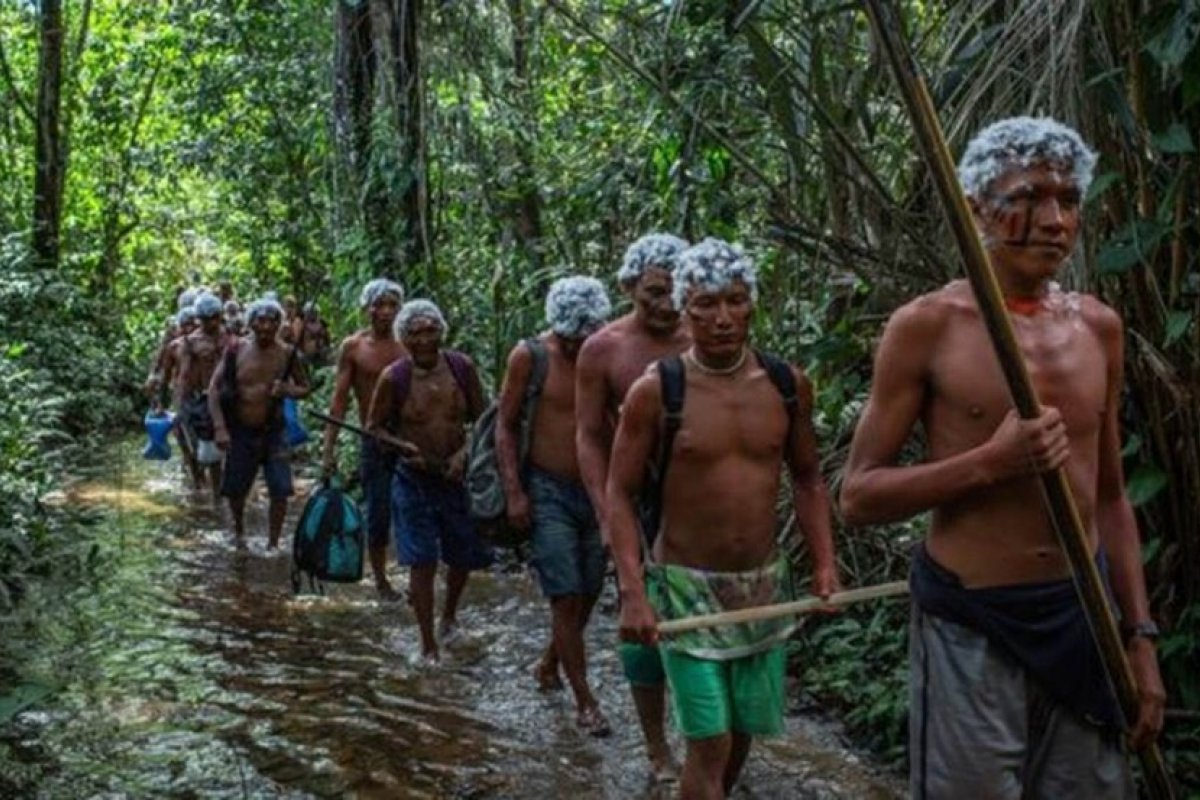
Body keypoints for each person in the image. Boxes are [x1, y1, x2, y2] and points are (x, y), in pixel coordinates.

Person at [839, 117, 1165, 799]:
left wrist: (1139, 638)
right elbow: (859, 496)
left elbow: (1109, 496)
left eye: (1069, 200)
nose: (1054, 219)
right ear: (978, 208)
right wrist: (988, 462)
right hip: (973, 622)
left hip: (1086, 617)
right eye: (1031, 197)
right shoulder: (927, 326)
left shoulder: (1098, 327)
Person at [609, 238, 840, 799]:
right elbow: (619, 492)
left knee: (740, 733)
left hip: (761, 589)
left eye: (734, 301)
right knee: (708, 740)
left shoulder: (788, 387)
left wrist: (826, 565)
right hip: (685, 587)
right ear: (684, 311)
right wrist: (633, 590)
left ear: (752, 305)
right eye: (705, 305)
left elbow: (808, 479)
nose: (721, 319)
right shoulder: (656, 392)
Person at [574, 232, 690, 779]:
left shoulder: (708, 331)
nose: (667, 307)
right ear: (628, 288)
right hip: (638, 499)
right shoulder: (604, 349)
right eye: (653, 295)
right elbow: (590, 435)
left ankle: (707, 738)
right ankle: (656, 748)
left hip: (699, 499)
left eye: (674, 293)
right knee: (638, 613)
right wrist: (604, 510)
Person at [496, 276, 612, 735]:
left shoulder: (605, 353)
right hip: (547, 490)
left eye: (585, 337)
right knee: (564, 594)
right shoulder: (531, 357)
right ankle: (586, 701)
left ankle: (549, 663)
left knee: (588, 593)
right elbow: (505, 426)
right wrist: (514, 492)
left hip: (596, 489)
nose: (578, 345)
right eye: (570, 339)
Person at [366, 300, 491, 661]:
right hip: (413, 480)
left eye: (430, 330)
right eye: (415, 333)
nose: (423, 339)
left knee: (463, 554)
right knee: (422, 560)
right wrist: (403, 446)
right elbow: (373, 429)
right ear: (404, 337)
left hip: (455, 477)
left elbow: (484, 422)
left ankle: (449, 616)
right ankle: (428, 644)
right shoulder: (394, 377)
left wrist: (463, 454)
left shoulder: (461, 367)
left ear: (441, 331)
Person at [321, 279, 408, 599]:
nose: (385, 312)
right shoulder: (354, 348)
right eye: (379, 305)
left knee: (412, 508)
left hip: (409, 438)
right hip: (372, 439)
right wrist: (328, 449)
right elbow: (340, 401)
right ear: (367, 308)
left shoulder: (409, 344)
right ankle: (382, 579)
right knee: (378, 509)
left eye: (391, 305)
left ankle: (416, 575)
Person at [209, 297, 310, 548]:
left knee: (280, 488)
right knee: (235, 488)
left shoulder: (288, 353)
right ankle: (239, 531)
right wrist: (220, 428)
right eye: (261, 321)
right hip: (241, 430)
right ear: (251, 323)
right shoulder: (235, 350)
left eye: (272, 321)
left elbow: (305, 387)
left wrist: (287, 389)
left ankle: (273, 543)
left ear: (279, 324)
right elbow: (213, 389)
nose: (266, 326)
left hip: (274, 431)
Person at [177, 292, 231, 503]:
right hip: (205, 402)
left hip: (231, 399)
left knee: (233, 450)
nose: (211, 323)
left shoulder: (232, 339)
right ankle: (216, 498)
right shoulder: (190, 343)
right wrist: (182, 408)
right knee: (213, 455)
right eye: (206, 319)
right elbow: (185, 376)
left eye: (214, 318)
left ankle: (230, 495)